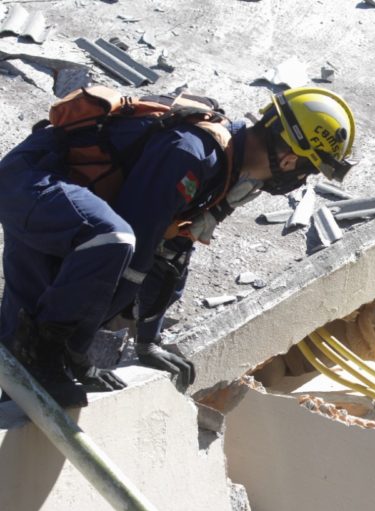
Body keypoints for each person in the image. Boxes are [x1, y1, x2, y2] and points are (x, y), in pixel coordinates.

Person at [0, 86, 356, 406]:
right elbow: (135, 254)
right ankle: (46, 354)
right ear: (291, 159)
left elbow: (170, 256)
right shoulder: (194, 156)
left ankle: (35, 367)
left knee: (16, 353)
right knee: (115, 242)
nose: (300, 180)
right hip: (34, 184)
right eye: (308, 171)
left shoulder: (225, 170)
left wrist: (148, 342)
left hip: (66, 207)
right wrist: (77, 351)